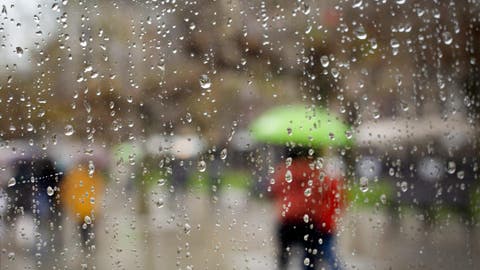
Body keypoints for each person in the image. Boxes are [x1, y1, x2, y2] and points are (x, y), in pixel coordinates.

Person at [270, 146, 345, 270]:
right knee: (309, 258)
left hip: (286, 220)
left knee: (283, 257)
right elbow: (325, 190)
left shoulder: (283, 171)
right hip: (307, 221)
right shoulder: (314, 171)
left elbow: (273, 190)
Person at [60, 161, 105, 250]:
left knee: (83, 227)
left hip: (80, 207)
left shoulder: (74, 175)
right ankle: (90, 243)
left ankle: (85, 244)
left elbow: (67, 190)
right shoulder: (93, 176)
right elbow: (99, 188)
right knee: (90, 226)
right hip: (90, 207)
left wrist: (66, 202)